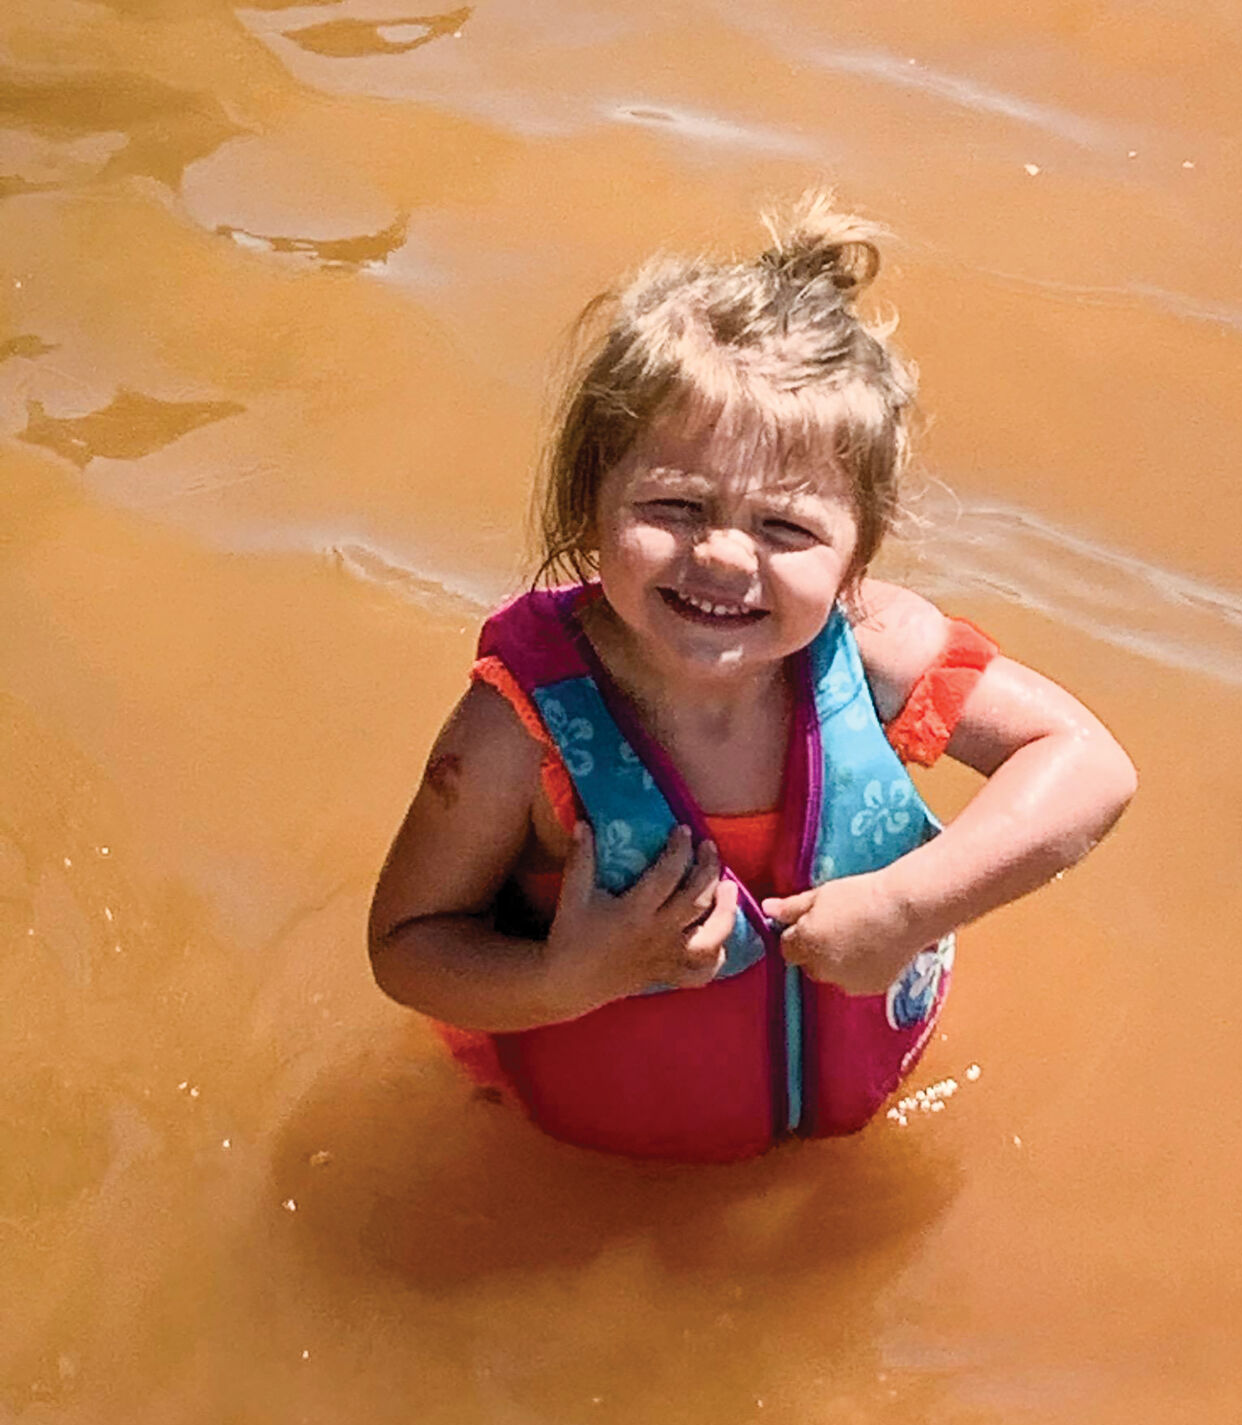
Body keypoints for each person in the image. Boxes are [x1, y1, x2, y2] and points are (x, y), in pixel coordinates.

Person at [368, 193, 1136, 1162]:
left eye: (785, 527)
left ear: (855, 552)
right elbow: (407, 945)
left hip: (855, 1129)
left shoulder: (873, 650)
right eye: (675, 505)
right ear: (586, 504)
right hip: (593, 1159)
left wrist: (910, 906)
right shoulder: (521, 727)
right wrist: (566, 978)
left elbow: (1086, 762)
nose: (725, 558)